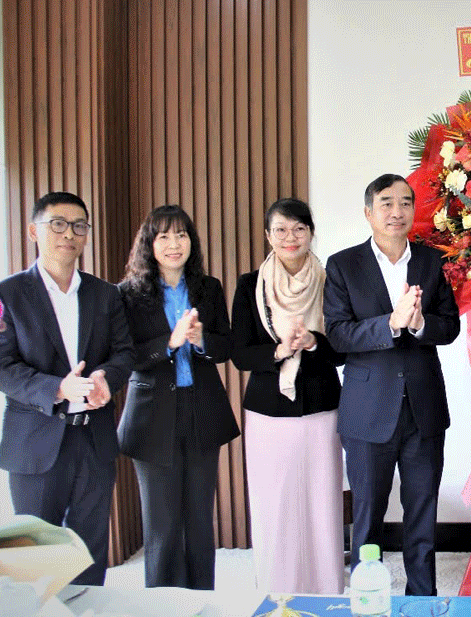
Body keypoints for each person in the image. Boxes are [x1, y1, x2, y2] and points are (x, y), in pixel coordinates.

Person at [323, 173, 459, 596]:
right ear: (368, 212)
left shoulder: (432, 261)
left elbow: (450, 325)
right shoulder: (343, 264)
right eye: (386, 203)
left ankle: (422, 600)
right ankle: (369, 597)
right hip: (367, 411)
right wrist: (391, 323)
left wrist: (420, 325)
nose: (396, 211)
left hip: (424, 409)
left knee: (422, 514)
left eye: (404, 202)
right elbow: (339, 335)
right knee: (367, 516)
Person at [0, 191, 134, 584]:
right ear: (33, 231)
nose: (68, 234)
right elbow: (2, 365)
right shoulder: (7, 294)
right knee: (36, 553)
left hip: (94, 438)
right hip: (36, 440)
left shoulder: (105, 294)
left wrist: (105, 379)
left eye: (79, 225)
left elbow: (124, 353)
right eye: (57, 223)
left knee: (89, 548)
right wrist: (57, 387)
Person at [117, 205, 240, 589]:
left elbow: (227, 347)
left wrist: (202, 341)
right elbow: (126, 357)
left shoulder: (209, 288)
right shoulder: (128, 294)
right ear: (149, 244)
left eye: (182, 235)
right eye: (164, 236)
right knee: (163, 525)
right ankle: (163, 606)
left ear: (192, 241)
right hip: (152, 415)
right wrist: (168, 344)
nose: (174, 244)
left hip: (201, 408)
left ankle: (204, 599)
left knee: (200, 520)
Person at [230, 198, 346, 594]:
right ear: (268, 236)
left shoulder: (332, 280)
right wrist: (278, 351)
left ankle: (327, 589)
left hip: (321, 407)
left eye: (298, 229)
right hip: (268, 410)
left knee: (321, 502)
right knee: (274, 504)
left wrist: (313, 342)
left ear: (311, 232)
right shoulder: (250, 285)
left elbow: (344, 349)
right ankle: (277, 589)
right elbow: (240, 353)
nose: (290, 238)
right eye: (280, 230)